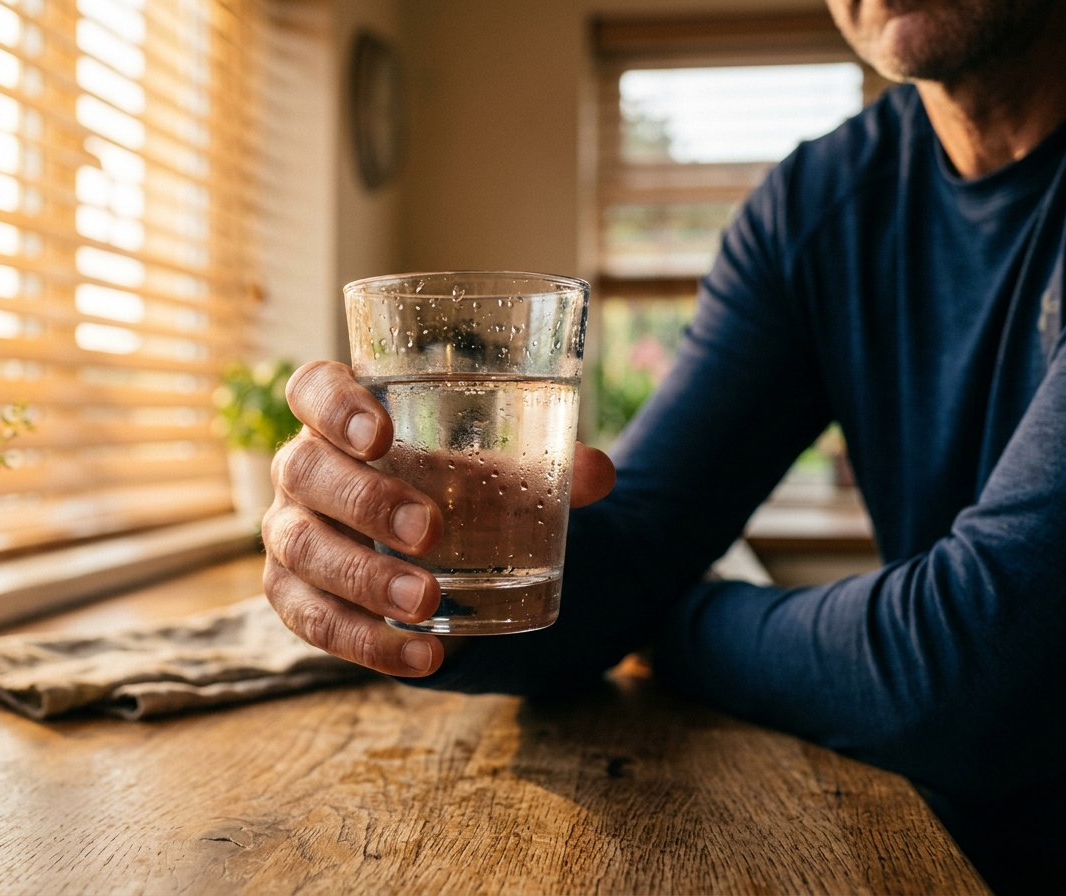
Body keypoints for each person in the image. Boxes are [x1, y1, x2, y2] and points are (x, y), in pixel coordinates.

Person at [260, 0, 1065, 891]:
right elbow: (630, 546)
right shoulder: (818, 208)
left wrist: (678, 624)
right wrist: (414, 562)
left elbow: (976, 672)